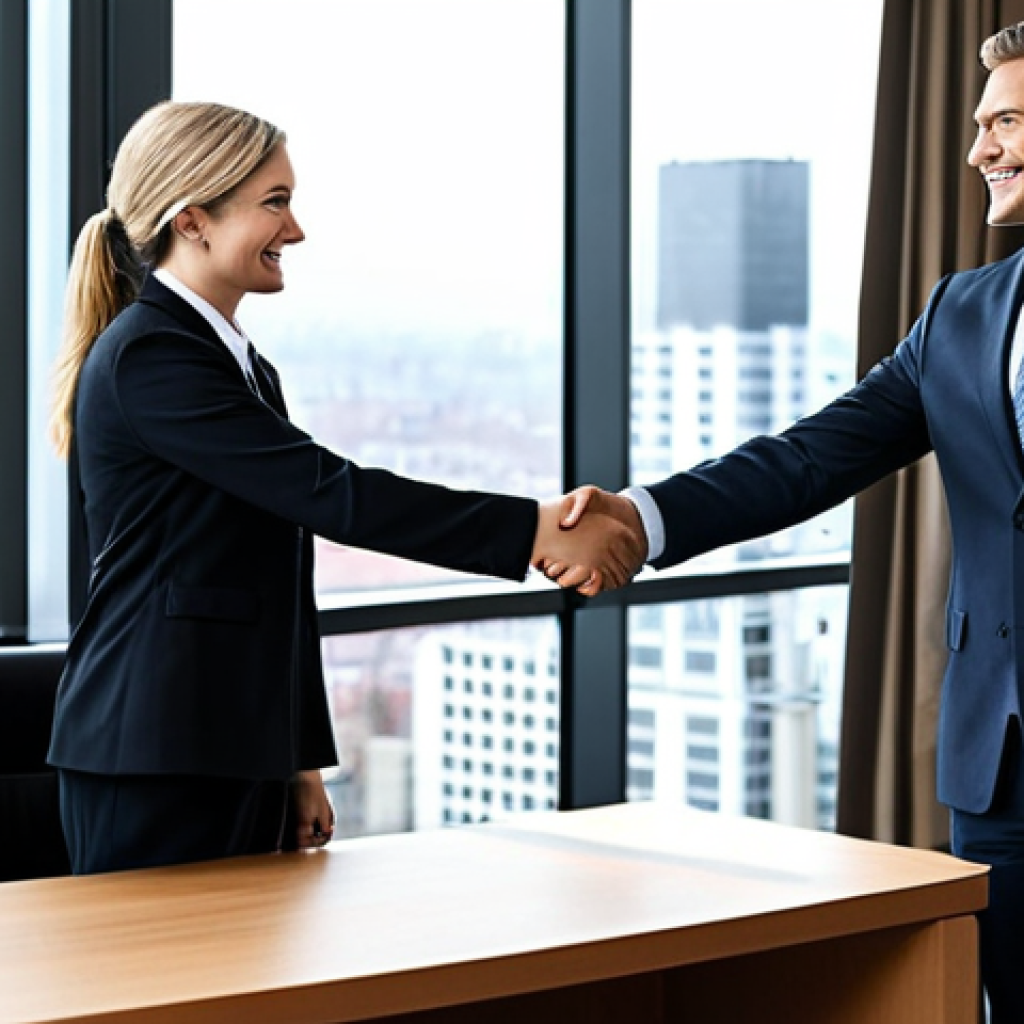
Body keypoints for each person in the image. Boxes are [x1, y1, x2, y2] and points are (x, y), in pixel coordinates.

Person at [544, 20, 1024, 1023]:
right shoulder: (960, 315)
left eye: (1008, 121)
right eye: (980, 123)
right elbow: (808, 457)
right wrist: (642, 516)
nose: (979, 148)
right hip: (1003, 765)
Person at [46, 100, 639, 876]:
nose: (295, 231)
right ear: (193, 220)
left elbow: (277, 582)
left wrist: (298, 761)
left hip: (224, 742)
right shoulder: (152, 356)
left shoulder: (240, 364)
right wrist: (533, 530)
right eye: (275, 203)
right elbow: (333, 494)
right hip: (155, 747)